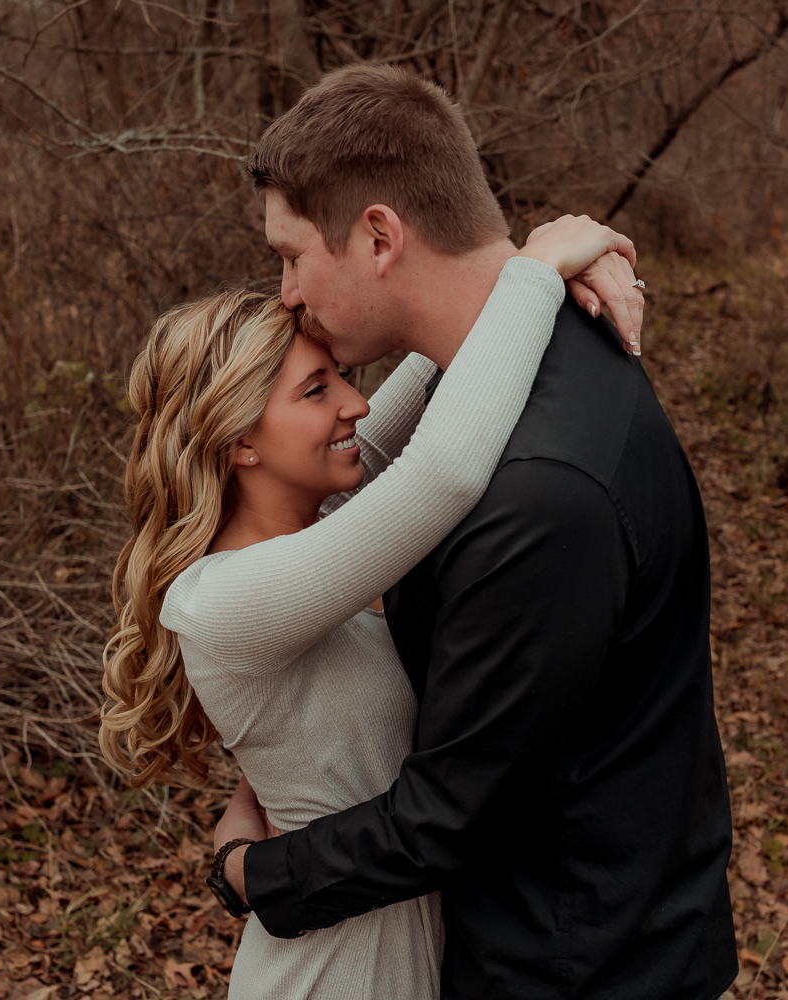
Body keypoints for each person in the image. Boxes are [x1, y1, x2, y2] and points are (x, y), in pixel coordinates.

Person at [212, 64, 738, 1000]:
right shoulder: (530, 360)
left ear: (379, 235)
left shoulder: (533, 492)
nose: (287, 292)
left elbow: (448, 815)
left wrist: (251, 875)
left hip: (572, 967)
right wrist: (537, 266)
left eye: (293, 256)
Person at [100, 207, 643, 999]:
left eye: (342, 379)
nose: (354, 406)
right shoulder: (224, 599)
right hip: (326, 979)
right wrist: (531, 271)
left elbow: (438, 360)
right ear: (239, 441)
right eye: (318, 390)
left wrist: (536, 258)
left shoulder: (308, 533)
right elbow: (443, 472)